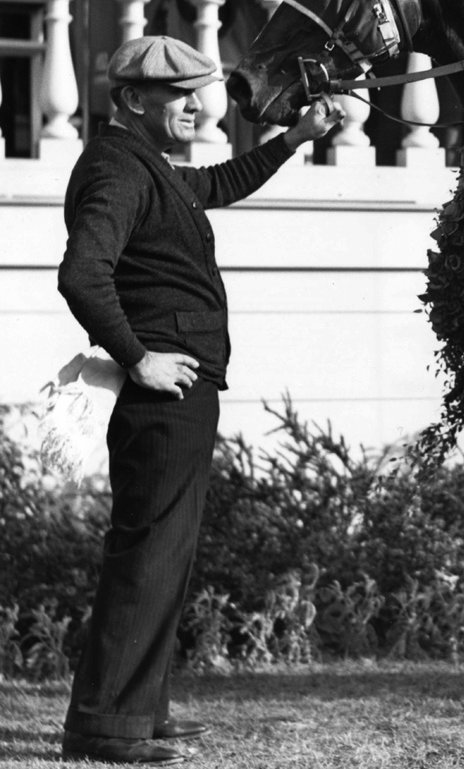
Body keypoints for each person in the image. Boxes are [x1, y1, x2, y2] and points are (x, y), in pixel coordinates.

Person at [56, 37, 343, 767]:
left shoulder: (147, 165)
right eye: (178, 93)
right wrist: (139, 358)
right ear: (131, 101)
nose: (196, 104)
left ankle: (137, 709)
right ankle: (104, 726)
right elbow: (82, 275)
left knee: (166, 551)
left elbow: (217, 184)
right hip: (163, 390)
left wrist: (296, 139)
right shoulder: (117, 170)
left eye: (200, 90)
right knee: (147, 551)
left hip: (186, 387)